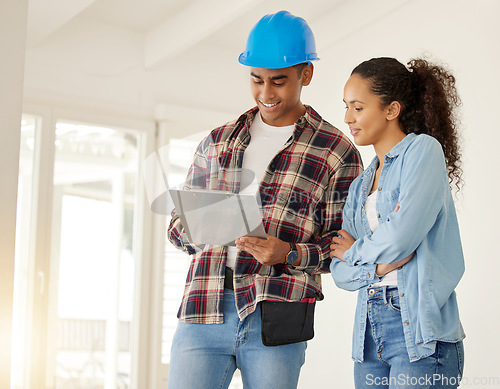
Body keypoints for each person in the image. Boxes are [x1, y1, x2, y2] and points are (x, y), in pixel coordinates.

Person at [166, 10, 362, 389]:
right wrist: (202, 224)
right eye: (256, 80)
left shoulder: (335, 151)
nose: (266, 94)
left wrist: (287, 252)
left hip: (278, 313)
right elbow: (176, 228)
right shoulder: (219, 140)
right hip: (204, 307)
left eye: (279, 81)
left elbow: (341, 246)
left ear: (306, 75)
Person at [330, 57, 465, 389]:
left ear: (391, 110)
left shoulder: (423, 152)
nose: (348, 118)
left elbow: (401, 237)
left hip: (420, 335)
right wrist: (377, 267)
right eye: (346, 107)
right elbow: (338, 269)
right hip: (369, 334)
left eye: (357, 108)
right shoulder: (361, 184)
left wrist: (356, 252)